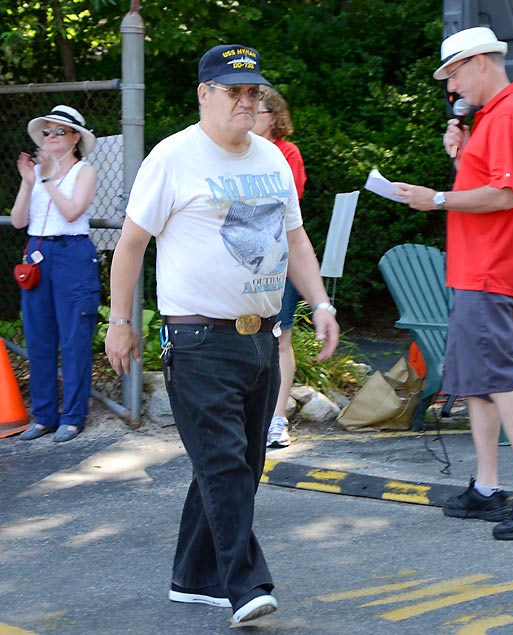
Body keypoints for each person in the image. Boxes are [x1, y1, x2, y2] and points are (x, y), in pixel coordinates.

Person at [104, 44, 339, 625]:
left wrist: (322, 302)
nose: (245, 100)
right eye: (233, 90)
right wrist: (120, 319)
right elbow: (132, 243)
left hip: (260, 337)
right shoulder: (173, 157)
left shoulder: (272, 159)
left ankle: (192, 577)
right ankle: (245, 583)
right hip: (198, 339)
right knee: (227, 465)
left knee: (236, 463)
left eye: (252, 91)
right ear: (204, 94)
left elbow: (297, 242)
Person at [393, 26, 513, 541]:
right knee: (478, 382)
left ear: (481, 62)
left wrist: (437, 198)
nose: (452, 86)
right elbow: (487, 188)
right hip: (479, 267)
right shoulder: (496, 117)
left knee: (495, 378)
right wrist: (457, 161)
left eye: (455, 72)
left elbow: (504, 196)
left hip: (492, 268)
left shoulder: (510, 116)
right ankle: (488, 488)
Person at [11, 105, 100, 443]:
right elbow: (19, 221)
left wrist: (47, 179)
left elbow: (73, 210)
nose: (50, 137)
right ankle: (44, 415)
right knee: (38, 338)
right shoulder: (38, 175)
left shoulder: (84, 171)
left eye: (59, 131)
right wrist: (28, 182)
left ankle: (73, 417)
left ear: (76, 137)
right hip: (37, 253)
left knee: (74, 338)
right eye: (47, 132)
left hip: (72, 255)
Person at [252, 86, 307, 448]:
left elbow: (284, 207)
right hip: (242, 268)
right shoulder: (237, 154)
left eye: (256, 111)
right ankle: (251, 417)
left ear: (274, 116)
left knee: (280, 340)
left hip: (278, 265)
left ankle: (277, 417)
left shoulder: (287, 154)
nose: (248, 116)